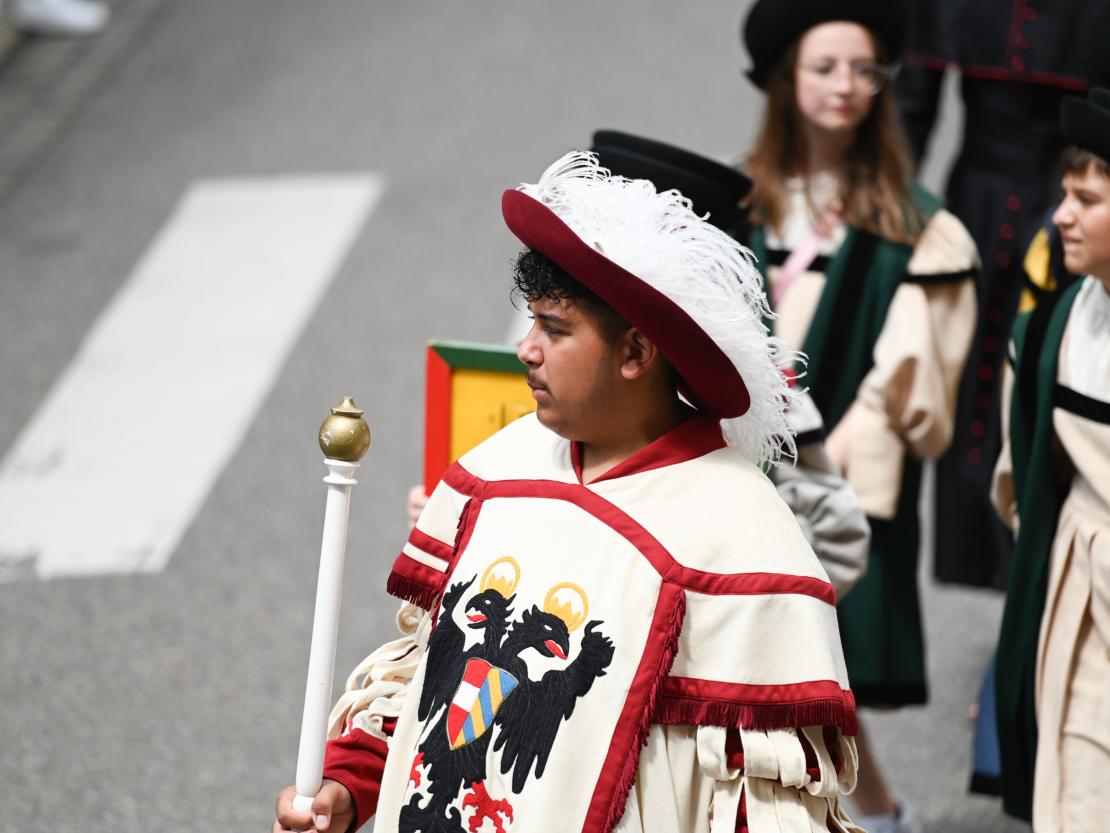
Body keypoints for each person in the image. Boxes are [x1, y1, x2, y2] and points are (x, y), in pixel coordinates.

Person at [274, 153, 863, 833]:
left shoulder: (741, 529)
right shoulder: (496, 468)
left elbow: (760, 805)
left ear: (636, 352)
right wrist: (347, 788)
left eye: (555, 329)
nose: (526, 349)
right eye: (533, 323)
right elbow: (428, 688)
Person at [737, 2, 979, 831]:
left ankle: (874, 817)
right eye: (826, 66)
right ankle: (870, 815)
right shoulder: (735, 204)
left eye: (865, 70)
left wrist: (820, 480)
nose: (848, 86)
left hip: (825, 478)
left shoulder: (923, 228)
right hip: (730, 462)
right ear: (785, 78)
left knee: (804, 666)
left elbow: (902, 386)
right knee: (775, 667)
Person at [894, 0, 1110, 589]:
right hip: (977, 203)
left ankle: (1043, 557)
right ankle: (977, 553)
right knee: (962, 375)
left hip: (1067, 202)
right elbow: (910, 114)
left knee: (1056, 368)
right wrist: (894, 225)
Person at [991, 86, 1110, 830]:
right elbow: (1021, 474)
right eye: (1065, 195)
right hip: (1082, 580)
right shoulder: (1060, 321)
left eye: (1087, 199)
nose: (1061, 214)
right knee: (1079, 785)